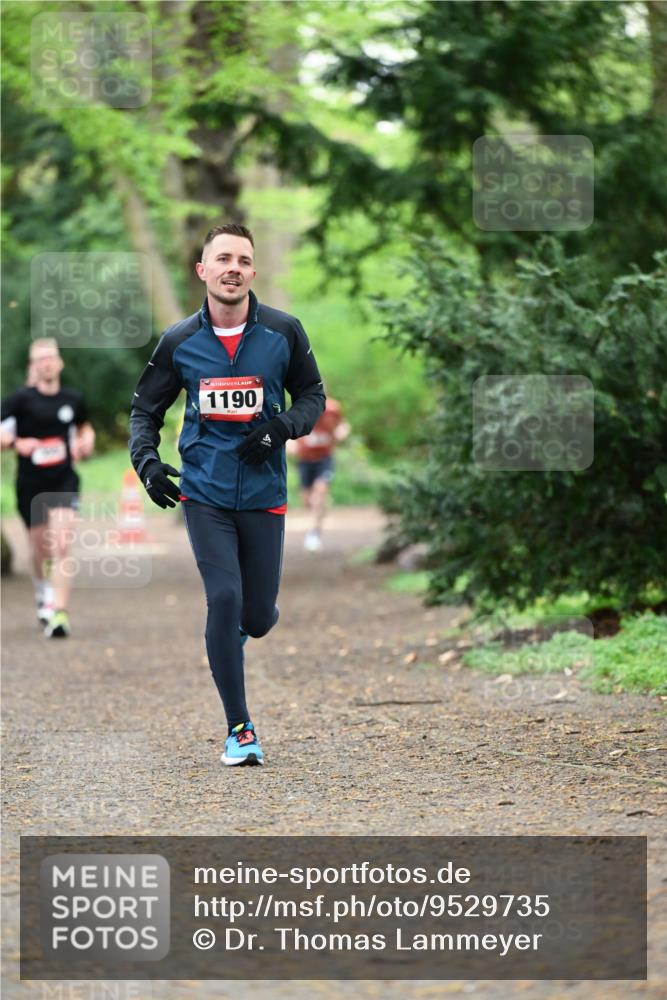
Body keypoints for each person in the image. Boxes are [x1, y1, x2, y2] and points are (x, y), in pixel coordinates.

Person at [129, 223, 325, 767]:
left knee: (257, 616)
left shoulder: (283, 332)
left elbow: (313, 394)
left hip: (265, 493)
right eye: (222, 258)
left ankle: (237, 632)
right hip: (205, 492)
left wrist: (280, 427)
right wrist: (146, 464)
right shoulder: (179, 342)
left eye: (242, 258)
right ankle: (240, 729)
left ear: (253, 271)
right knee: (224, 598)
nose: (232, 267)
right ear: (203, 270)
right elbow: (146, 410)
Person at [1, 338, 95, 637]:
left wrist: (86, 441)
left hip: (64, 480)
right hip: (31, 484)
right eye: (40, 358)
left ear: (60, 362)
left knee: (62, 545)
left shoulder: (72, 399)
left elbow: (84, 427)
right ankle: (43, 592)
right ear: (33, 366)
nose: (46, 362)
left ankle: (59, 613)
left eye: (50, 357)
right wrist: (17, 443)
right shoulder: (19, 401)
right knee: (40, 549)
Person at [294, 395, 350, 551]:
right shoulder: (300, 409)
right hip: (305, 460)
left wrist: (341, 432)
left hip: (324, 458)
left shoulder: (333, 408)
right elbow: (288, 431)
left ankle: (314, 533)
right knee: (307, 500)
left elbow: (343, 425)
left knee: (319, 493)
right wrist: (289, 445)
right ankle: (320, 506)